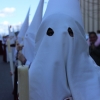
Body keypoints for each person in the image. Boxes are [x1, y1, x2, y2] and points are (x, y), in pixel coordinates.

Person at [29, 0, 100, 100]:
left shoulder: (96, 77)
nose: (60, 41)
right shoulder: (30, 79)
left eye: (69, 32)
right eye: (51, 33)